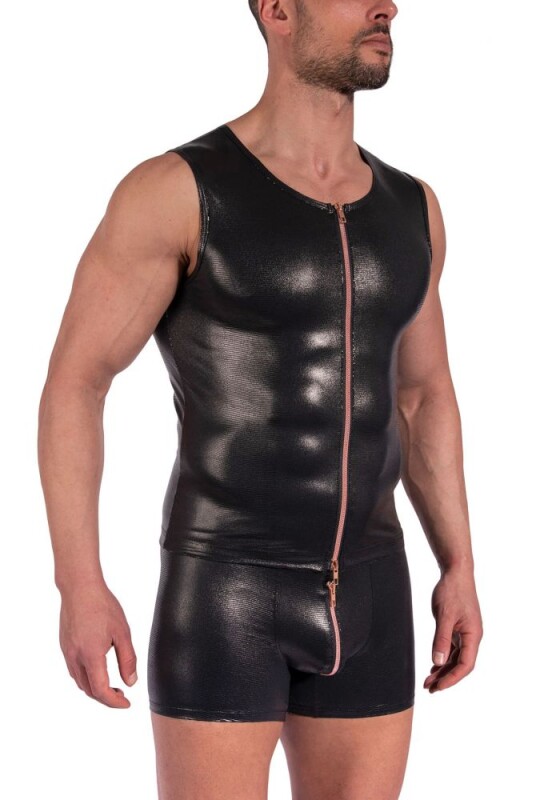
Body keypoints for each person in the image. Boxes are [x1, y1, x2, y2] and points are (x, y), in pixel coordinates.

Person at [37, 1, 483, 798]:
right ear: (277, 10)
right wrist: (79, 582)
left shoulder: (413, 209)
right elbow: (77, 382)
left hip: (376, 593)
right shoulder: (177, 191)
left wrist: (460, 564)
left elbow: (423, 395)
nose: (386, 6)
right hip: (228, 593)